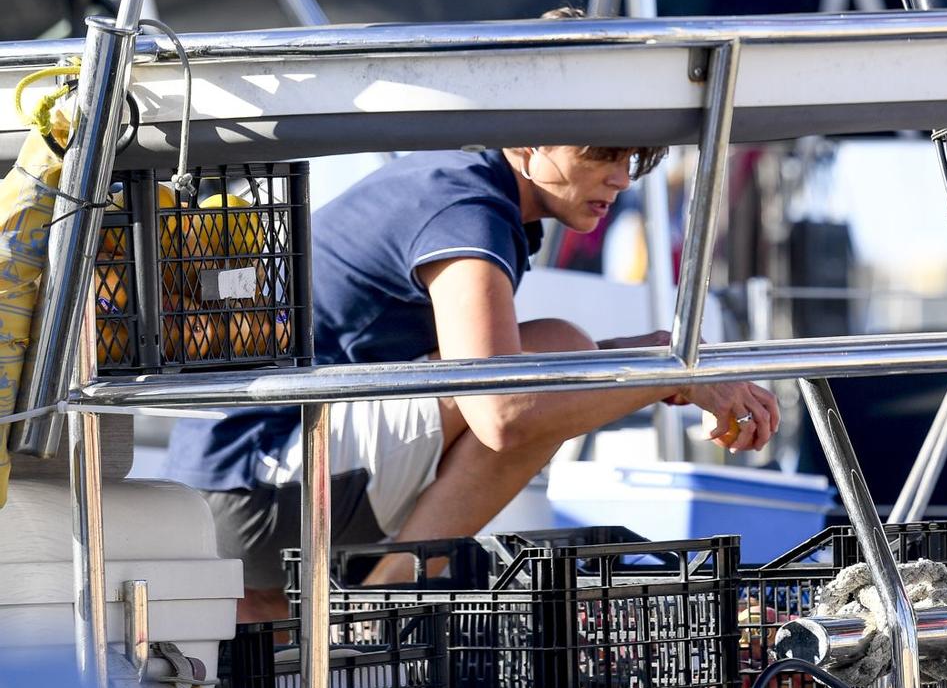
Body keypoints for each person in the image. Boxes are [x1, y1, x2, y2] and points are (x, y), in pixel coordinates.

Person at [167, 133, 779, 623]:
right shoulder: (468, 210)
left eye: (633, 159)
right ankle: (380, 609)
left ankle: (363, 600)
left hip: (237, 490)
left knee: (565, 360)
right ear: (527, 142)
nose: (620, 177)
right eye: (600, 155)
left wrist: (647, 358)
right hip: (260, 491)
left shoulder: (453, 180)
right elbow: (504, 412)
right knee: (560, 355)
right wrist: (670, 371)